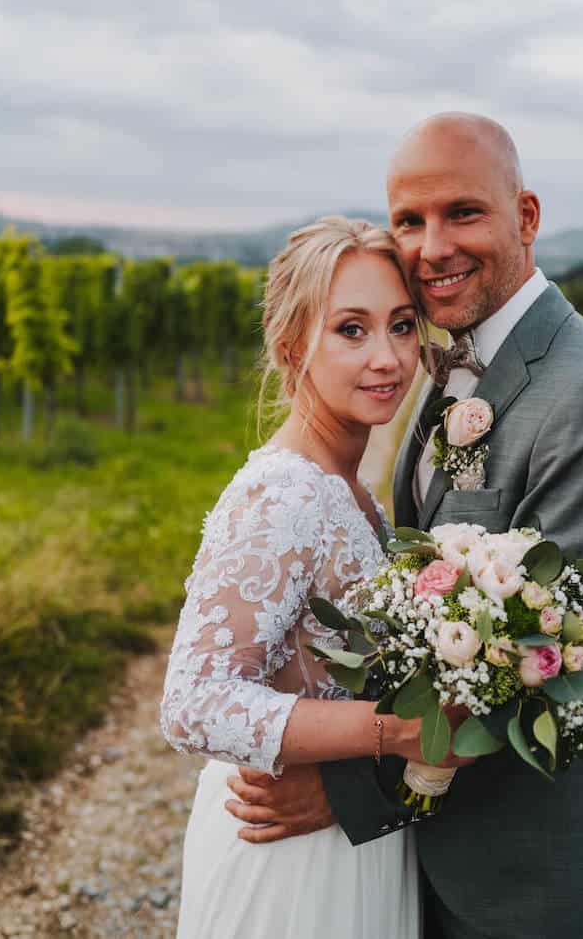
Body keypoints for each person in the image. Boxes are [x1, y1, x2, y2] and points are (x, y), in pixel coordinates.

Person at [223, 113, 583, 938]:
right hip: (428, 856)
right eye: (410, 220)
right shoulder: (443, 366)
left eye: (463, 213)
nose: (432, 247)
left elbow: (551, 664)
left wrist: (339, 790)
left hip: (533, 871)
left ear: (525, 217)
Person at [160, 215, 470, 938]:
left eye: (400, 325)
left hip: (349, 841)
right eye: (351, 330)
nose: (387, 357)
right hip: (287, 862)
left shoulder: (353, 485)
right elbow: (193, 702)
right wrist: (395, 731)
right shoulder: (284, 494)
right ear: (291, 343)